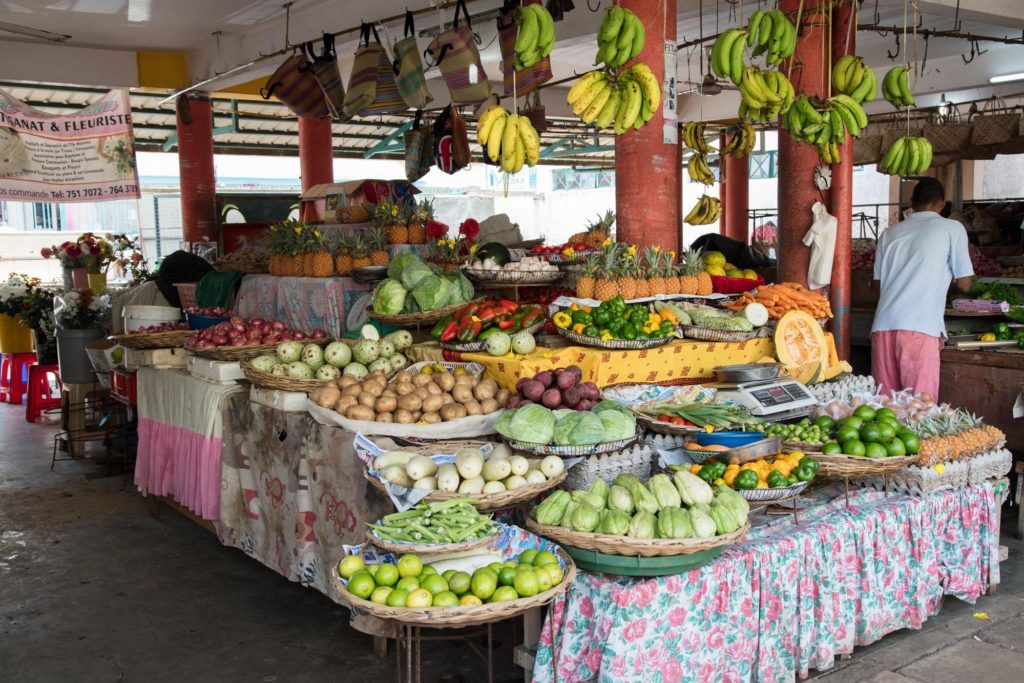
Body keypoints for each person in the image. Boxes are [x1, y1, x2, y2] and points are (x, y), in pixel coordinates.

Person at [871, 178, 973, 399]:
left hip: (883, 326)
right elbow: (965, 284)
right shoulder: (952, 228)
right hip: (920, 327)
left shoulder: (889, 233)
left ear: (911, 201)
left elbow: (878, 284)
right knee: (920, 410)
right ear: (942, 204)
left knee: (885, 408)